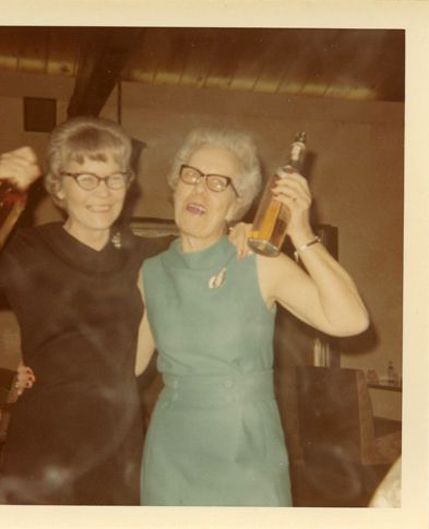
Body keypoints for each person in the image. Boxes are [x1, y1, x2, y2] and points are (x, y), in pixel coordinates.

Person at [0, 116, 171, 505]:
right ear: (58, 186)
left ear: (128, 182)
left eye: (114, 177)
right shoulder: (28, 250)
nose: (103, 191)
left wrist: (238, 234)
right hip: (44, 442)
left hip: (118, 446)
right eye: (86, 178)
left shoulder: (147, 256)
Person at [133, 127, 370, 506]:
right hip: (170, 451)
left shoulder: (259, 262)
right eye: (191, 175)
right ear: (175, 186)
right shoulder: (151, 273)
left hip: (245, 450)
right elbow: (126, 364)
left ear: (236, 204)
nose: (198, 189)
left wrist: (302, 232)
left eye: (218, 183)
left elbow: (350, 321)